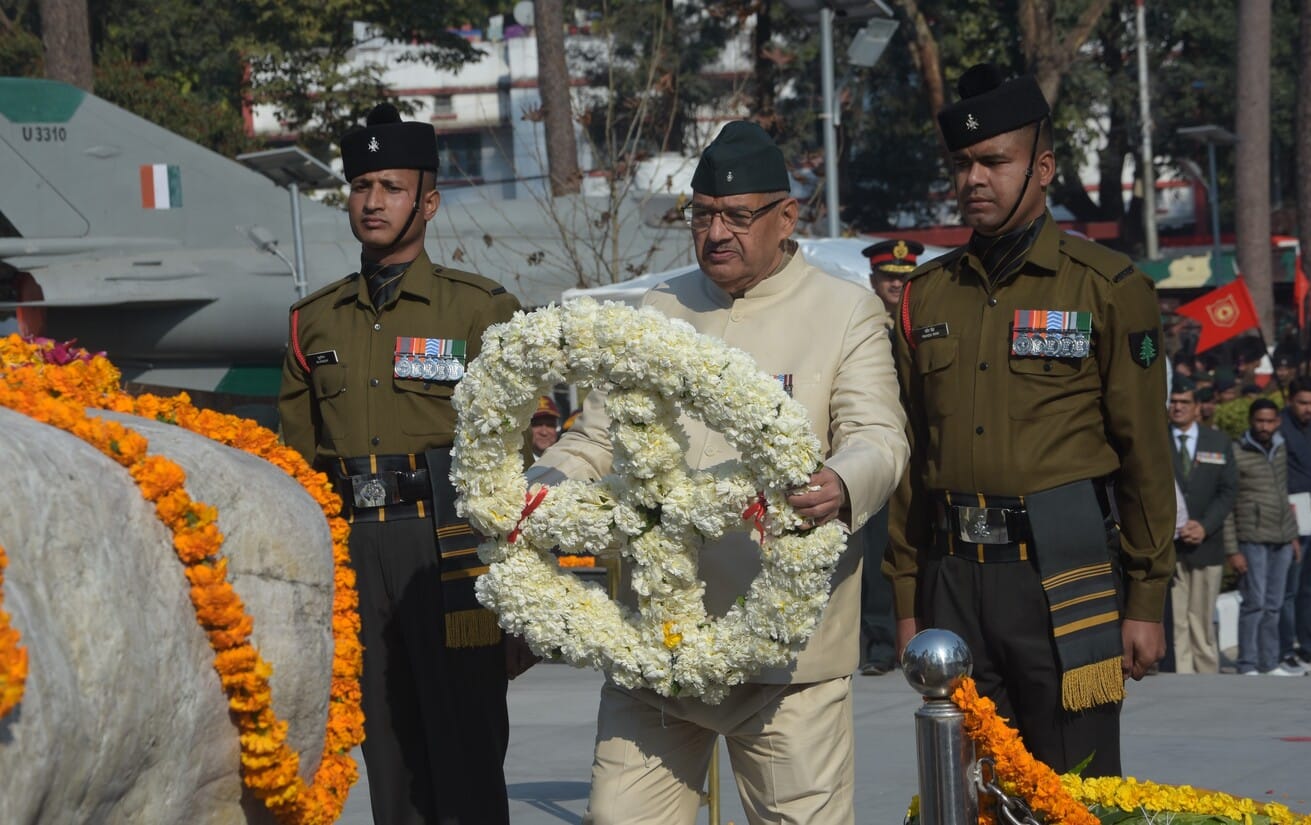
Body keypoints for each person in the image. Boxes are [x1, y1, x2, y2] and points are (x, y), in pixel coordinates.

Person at [530, 120, 909, 824]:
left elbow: (878, 435)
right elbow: (598, 438)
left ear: (786, 216)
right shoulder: (659, 308)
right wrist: (541, 487)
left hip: (786, 657)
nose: (716, 234)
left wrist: (842, 481)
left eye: (737, 216)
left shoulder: (843, 309)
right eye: (701, 217)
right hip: (657, 644)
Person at [885, 63, 1175, 777]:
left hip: (1061, 571)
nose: (972, 179)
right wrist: (903, 599)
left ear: (1041, 167)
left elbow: (1143, 452)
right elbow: (909, 457)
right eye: (961, 164)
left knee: (1074, 786)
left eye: (993, 161)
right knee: (967, 788)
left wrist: (1144, 598)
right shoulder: (926, 295)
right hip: (951, 575)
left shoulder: (1107, 287)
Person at [277, 104, 529, 825]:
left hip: (450, 547)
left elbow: (512, 455)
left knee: (468, 754)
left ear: (429, 202)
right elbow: (298, 460)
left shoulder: (478, 310)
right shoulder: (313, 319)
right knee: (387, 758)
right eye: (361, 186)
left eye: (390, 186)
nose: (372, 201)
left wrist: (519, 587)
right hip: (357, 550)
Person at [1227, 399, 1303, 676]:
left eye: (1270, 421)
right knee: (1254, 604)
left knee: (1274, 605)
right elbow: (1228, 503)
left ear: (1277, 422)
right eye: (1260, 420)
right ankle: (1248, 664)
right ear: (1250, 420)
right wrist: (1232, 550)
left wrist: (1293, 535)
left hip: (1282, 538)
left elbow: (1283, 495)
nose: (1265, 426)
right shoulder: (1237, 452)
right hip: (1252, 538)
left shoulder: (1281, 448)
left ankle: (1269, 663)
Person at [1167, 379, 1237, 673]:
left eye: (1185, 402)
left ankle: (1207, 674)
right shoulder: (1157, 441)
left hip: (1207, 544)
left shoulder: (1217, 442)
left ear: (1197, 408)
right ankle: (1183, 674)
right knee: (1179, 618)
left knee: (1202, 615)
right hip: (1172, 545)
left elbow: (1228, 491)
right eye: (1174, 402)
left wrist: (1204, 526)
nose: (1178, 407)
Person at [1277, 377, 1311, 670]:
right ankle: (1285, 647)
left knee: (1307, 587)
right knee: (1290, 586)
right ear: (1290, 401)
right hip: (1290, 515)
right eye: (1302, 402)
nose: (1308, 408)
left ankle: (1307, 644)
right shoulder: (1279, 429)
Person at [862, 238, 924, 316]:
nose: (896, 284)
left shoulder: (922, 316)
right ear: (873, 280)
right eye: (889, 276)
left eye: (904, 276)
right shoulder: (860, 316)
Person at [530, 395, 562, 460]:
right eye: (537, 424)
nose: (544, 432)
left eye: (550, 425)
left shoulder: (567, 461)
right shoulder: (515, 464)